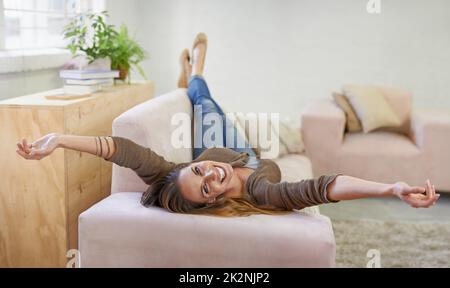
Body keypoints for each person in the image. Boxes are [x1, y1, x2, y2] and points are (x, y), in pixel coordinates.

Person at [16, 33, 439, 217]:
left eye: (197, 174)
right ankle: (196, 74)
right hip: (247, 157)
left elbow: (119, 148)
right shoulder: (261, 192)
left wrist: (59, 139)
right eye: (206, 189)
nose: (210, 178)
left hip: (213, 144)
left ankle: (195, 74)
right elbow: (323, 187)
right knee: (209, 107)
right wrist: (391, 188)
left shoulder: (181, 171)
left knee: (204, 106)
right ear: (213, 203)